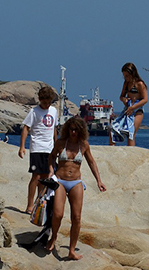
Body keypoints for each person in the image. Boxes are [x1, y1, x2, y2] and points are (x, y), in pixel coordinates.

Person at [46, 116, 106, 260]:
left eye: (76, 130)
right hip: (60, 181)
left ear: (81, 131)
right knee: (58, 214)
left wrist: (99, 181)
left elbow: (91, 162)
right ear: (67, 129)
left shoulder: (84, 145)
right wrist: (51, 171)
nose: (73, 132)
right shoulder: (61, 143)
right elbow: (51, 157)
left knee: (77, 217)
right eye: (71, 129)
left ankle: (71, 250)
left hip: (76, 183)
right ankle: (53, 237)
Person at [18, 86, 58, 214]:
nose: (47, 105)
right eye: (45, 102)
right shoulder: (34, 112)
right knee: (36, 176)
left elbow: (54, 129)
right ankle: (29, 205)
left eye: (49, 102)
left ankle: (38, 202)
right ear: (40, 100)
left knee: (46, 176)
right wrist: (22, 147)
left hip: (49, 149)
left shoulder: (54, 111)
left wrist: (57, 146)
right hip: (37, 147)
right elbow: (26, 128)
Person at [109, 62, 148, 146]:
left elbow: (145, 99)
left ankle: (131, 153)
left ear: (132, 73)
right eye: (124, 76)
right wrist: (124, 100)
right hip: (127, 109)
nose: (125, 78)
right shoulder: (126, 84)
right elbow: (121, 96)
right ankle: (112, 149)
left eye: (127, 76)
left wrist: (133, 108)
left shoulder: (139, 84)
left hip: (137, 110)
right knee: (113, 128)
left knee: (131, 132)